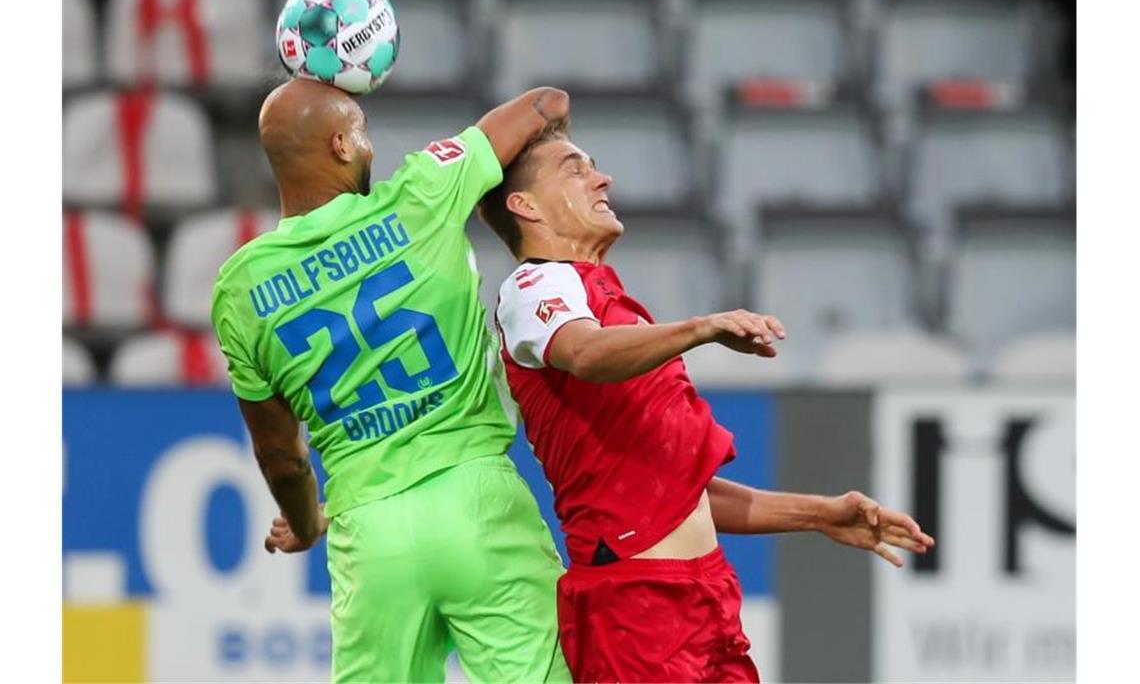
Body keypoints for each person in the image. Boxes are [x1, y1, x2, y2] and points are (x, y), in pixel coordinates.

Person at [478, 119, 936, 682]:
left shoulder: (608, 300)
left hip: (704, 594)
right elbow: (587, 353)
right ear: (525, 206)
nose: (603, 179)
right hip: (636, 604)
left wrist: (820, 514)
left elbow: (680, 495)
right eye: (576, 168)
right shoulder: (535, 286)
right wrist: (701, 327)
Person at [210, 78, 575, 683]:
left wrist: (306, 524)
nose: (371, 146)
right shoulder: (423, 194)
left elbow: (278, 454)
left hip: (370, 533)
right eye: (362, 131)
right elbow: (547, 104)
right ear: (341, 145)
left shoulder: (240, 287)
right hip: (478, 502)